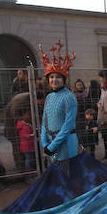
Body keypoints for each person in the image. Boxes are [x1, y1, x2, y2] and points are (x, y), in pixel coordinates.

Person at [39, 41, 80, 173]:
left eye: (58, 77)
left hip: (66, 144)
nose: (54, 80)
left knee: (69, 177)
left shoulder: (69, 97)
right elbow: (44, 122)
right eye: (51, 77)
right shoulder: (49, 97)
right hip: (51, 144)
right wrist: (44, 143)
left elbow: (67, 126)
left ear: (63, 79)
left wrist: (52, 146)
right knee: (58, 178)